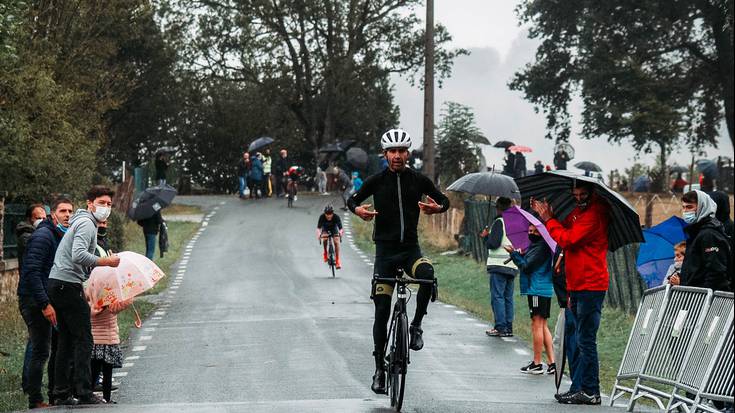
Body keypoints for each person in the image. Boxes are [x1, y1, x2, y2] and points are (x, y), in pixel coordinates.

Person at [347, 128, 450, 394]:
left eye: (402, 151)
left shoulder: (418, 180)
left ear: (408, 154)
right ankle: (379, 369)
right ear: (385, 154)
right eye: (392, 151)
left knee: (427, 274)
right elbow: (352, 200)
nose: (397, 156)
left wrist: (437, 208)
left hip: (410, 250)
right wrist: (359, 211)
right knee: (382, 310)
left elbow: (444, 200)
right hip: (385, 254)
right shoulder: (376, 180)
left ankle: (416, 326)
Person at [532, 180, 610, 405]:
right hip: (575, 285)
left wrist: (549, 220)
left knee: (585, 340)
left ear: (591, 193)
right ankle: (578, 387)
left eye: (582, 194)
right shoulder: (580, 212)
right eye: (575, 195)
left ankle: (591, 390)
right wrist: (551, 217)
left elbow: (568, 238)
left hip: (590, 286)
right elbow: (564, 231)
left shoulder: (595, 214)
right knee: (575, 339)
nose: (578, 198)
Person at [47, 186, 121, 405]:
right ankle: (83, 391)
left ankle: (61, 393)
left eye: (109, 204)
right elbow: (78, 254)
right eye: (101, 203)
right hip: (66, 285)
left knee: (67, 340)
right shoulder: (87, 224)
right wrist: (105, 261)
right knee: (84, 339)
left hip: (59, 283)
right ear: (90, 204)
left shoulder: (82, 221)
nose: (105, 208)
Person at [17, 198, 73, 409]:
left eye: (70, 211)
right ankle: (35, 399)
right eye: (62, 211)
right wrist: (44, 304)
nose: (67, 215)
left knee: (54, 347)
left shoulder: (57, 234)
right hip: (34, 300)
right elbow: (31, 273)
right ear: (53, 215)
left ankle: (54, 394)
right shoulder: (43, 236)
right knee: (41, 350)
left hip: (46, 298)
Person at [507, 223, 555, 375]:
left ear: (542, 233)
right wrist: (519, 254)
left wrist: (515, 255)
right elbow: (530, 262)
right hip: (544, 289)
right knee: (543, 324)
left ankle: (537, 363)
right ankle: (552, 362)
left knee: (536, 324)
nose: (532, 233)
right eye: (530, 231)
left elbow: (527, 267)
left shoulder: (541, 247)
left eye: (535, 231)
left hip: (537, 289)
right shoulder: (538, 246)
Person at [679, 190, 732, 291]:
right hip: (693, 296)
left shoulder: (709, 235)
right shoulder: (695, 232)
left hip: (703, 300)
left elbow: (716, 274)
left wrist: (701, 296)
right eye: (684, 207)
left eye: (690, 207)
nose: (685, 211)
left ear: (701, 207)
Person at [480, 197, 518, 338]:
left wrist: (485, 237)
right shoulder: (514, 223)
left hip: (498, 265)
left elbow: (494, 243)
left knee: (497, 297)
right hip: (512, 265)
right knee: (508, 297)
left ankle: (500, 327)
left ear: (498, 208)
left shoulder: (499, 222)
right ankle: (508, 327)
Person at [17, 204, 47, 270]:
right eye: (38, 218)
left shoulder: (40, 232)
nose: (42, 221)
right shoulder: (26, 236)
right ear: (29, 219)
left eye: (44, 218)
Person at [316, 205, 344, 269]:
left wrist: (340, 233)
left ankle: (337, 261)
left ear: (333, 213)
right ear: (324, 213)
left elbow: (341, 229)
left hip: (334, 229)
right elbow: (318, 228)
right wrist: (319, 235)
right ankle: (325, 253)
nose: (329, 216)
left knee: (336, 242)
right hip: (325, 229)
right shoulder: (322, 217)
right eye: (327, 214)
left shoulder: (336, 217)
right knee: (325, 239)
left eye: (330, 214)